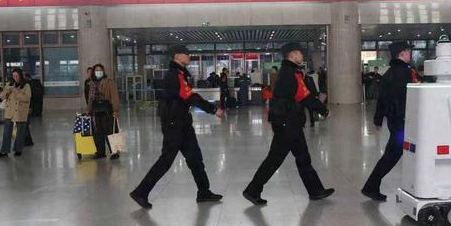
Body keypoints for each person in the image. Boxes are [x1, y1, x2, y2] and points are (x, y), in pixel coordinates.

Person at [130, 45, 225, 209]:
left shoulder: (180, 74)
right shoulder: (175, 75)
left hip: (183, 124)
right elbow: (190, 97)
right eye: (186, 54)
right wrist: (213, 109)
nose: (188, 56)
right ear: (177, 56)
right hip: (174, 125)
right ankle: (141, 192)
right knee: (166, 161)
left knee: (195, 159)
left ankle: (204, 191)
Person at [243, 43, 335, 205]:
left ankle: (315, 190)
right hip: (287, 122)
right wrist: (323, 110)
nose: (302, 56)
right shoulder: (291, 73)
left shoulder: (289, 71)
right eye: (300, 53)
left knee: (301, 157)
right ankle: (253, 190)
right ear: (292, 55)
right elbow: (305, 97)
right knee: (277, 158)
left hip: (288, 120)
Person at [361, 42, 418, 201]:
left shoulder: (390, 72)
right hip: (403, 121)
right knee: (392, 154)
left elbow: (382, 98)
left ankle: (371, 187)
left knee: (393, 153)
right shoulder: (405, 73)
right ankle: (370, 187)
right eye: (408, 51)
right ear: (402, 53)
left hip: (396, 121)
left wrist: (378, 119)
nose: (410, 54)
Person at [0, 68, 32, 158]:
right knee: (6, 132)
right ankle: (4, 151)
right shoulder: (9, 84)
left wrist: (16, 91)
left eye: (17, 76)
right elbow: (1, 96)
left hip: (20, 112)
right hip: (9, 111)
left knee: (20, 132)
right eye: (14, 76)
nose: (15, 78)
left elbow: (26, 98)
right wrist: (7, 91)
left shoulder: (26, 86)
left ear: (21, 76)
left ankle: (18, 149)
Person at [86, 64, 120, 159]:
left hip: (107, 110)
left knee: (110, 131)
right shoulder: (91, 83)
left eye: (100, 70)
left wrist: (116, 110)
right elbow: (90, 99)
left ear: (103, 71)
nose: (98, 72)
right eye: (96, 70)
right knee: (98, 133)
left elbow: (114, 97)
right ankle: (100, 152)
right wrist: (88, 110)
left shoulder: (109, 82)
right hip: (96, 111)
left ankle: (114, 152)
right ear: (93, 72)